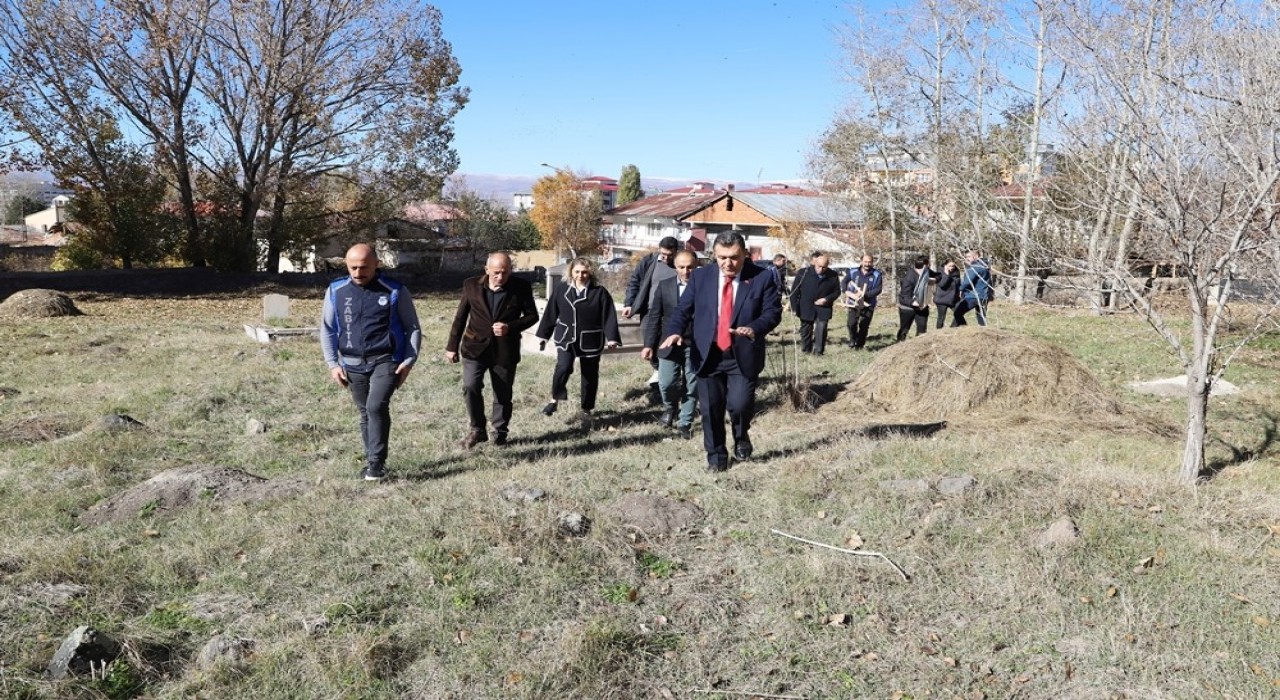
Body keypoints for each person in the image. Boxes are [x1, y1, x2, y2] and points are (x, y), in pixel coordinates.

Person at [660, 231, 782, 472]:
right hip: (708, 355)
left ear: (745, 255)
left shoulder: (762, 278)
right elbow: (683, 309)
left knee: (739, 405)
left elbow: (772, 312)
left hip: (743, 354)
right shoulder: (701, 277)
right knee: (710, 409)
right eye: (722, 257)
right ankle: (716, 458)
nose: (728, 263)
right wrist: (674, 331)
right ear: (714, 255)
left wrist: (754, 328)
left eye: (734, 257)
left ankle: (741, 434)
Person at [321, 243, 421, 480]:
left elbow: (412, 327)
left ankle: (376, 464)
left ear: (377, 264)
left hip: (386, 360)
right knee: (365, 411)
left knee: (376, 406)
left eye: (364, 267)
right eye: (353, 267)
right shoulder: (336, 291)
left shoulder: (394, 290)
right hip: (352, 363)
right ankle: (371, 460)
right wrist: (333, 364)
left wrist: (408, 360)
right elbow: (327, 329)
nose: (358, 273)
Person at [445, 252, 540, 449]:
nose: (500, 277)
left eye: (505, 272)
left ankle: (500, 433)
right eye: (496, 272)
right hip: (475, 347)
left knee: (503, 394)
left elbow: (532, 316)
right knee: (470, 387)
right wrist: (451, 346)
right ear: (486, 270)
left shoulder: (520, 287)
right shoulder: (471, 285)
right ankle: (477, 430)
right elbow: (461, 317)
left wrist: (510, 327)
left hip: (505, 350)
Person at [537, 258, 622, 421]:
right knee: (563, 367)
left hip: (590, 340)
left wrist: (612, 337)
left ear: (590, 272)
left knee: (589, 375)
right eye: (577, 272)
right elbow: (550, 313)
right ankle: (554, 399)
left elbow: (609, 316)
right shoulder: (561, 290)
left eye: (584, 272)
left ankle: (586, 409)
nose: (581, 275)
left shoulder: (599, 292)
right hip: (566, 337)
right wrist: (543, 336)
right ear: (571, 272)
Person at [642, 250, 700, 439]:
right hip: (668, 344)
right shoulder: (664, 286)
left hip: (695, 344)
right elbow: (655, 317)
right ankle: (670, 407)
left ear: (696, 266)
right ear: (675, 267)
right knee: (666, 383)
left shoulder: (704, 287)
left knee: (692, 385)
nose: (686, 271)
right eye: (681, 267)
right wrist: (648, 344)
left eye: (690, 267)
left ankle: (685, 422)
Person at [788, 251, 840, 355]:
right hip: (806, 306)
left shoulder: (833, 275)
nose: (821, 269)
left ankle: (819, 352)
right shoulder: (803, 273)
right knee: (806, 329)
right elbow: (794, 292)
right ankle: (806, 350)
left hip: (824, 307)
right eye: (819, 266)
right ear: (814, 263)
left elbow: (837, 292)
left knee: (821, 328)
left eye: (824, 267)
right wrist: (794, 308)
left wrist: (827, 299)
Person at [843, 254, 883, 349]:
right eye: (865, 262)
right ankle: (853, 339)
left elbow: (878, 289)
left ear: (872, 262)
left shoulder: (877, 274)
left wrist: (865, 295)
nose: (867, 264)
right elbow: (844, 282)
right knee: (851, 323)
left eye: (869, 262)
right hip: (854, 302)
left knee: (864, 325)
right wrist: (846, 291)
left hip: (868, 303)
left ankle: (860, 345)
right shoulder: (853, 272)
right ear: (861, 261)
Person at [896, 254, 937, 341]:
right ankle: (899, 345)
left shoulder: (927, 272)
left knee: (922, 330)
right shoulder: (908, 278)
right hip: (907, 307)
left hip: (922, 307)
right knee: (904, 329)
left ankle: (919, 347)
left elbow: (938, 275)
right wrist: (913, 302)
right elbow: (904, 297)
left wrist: (934, 281)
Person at [953, 249, 995, 327]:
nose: (967, 259)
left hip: (974, 295)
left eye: (969, 256)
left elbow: (967, 281)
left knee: (957, 313)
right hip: (984, 296)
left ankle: (965, 331)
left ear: (976, 256)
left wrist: (960, 289)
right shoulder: (985, 266)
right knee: (981, 317)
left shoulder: (974, 267)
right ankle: (983, 334)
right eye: (966, 257)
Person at [934, 260, 960, 329]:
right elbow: (942, 284)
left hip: (953, 298)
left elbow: (958, 284)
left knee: (960, 313)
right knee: (941, 317)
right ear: (945, 265)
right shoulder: (939, 273)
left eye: (953, 266)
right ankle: (938, 333)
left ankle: (952, 328)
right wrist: (946, 274)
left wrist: (960, 293)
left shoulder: (956, 272)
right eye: (950, 266)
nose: (952, 268)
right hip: (942, 299)